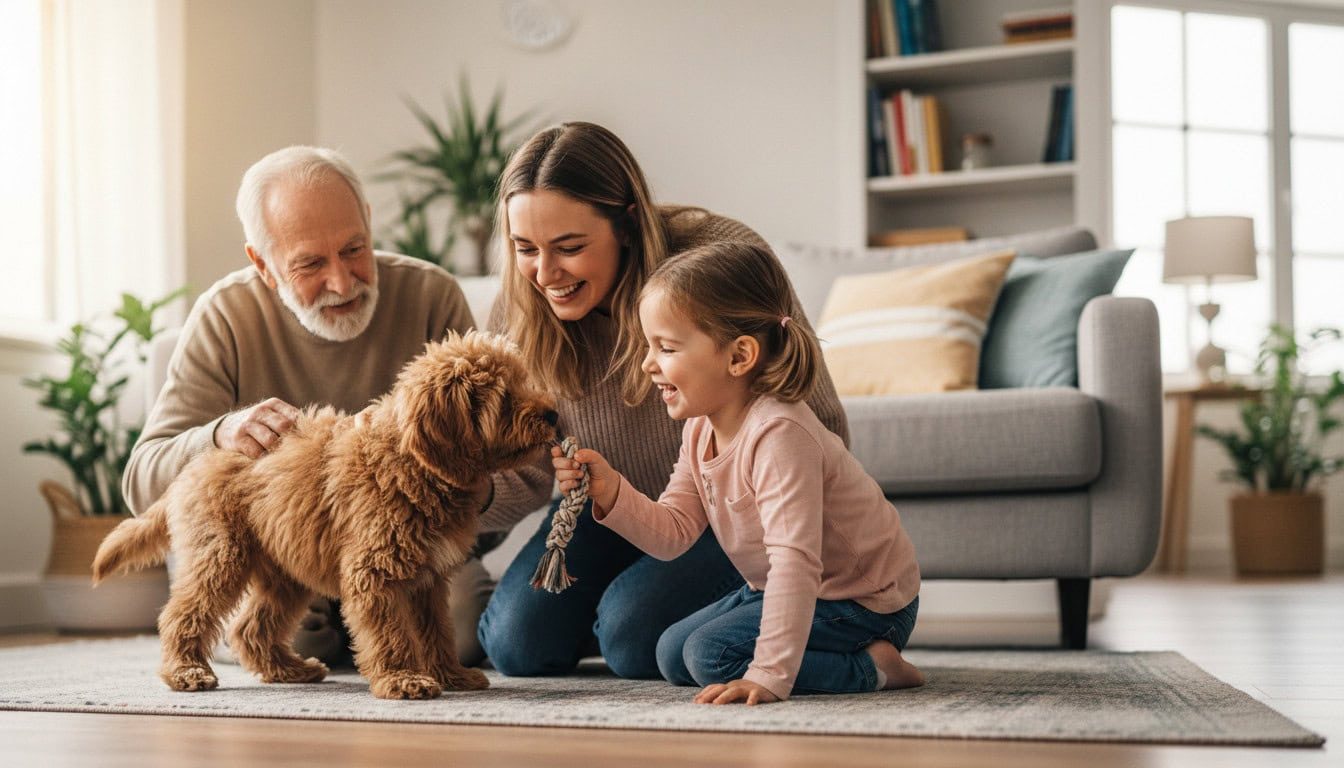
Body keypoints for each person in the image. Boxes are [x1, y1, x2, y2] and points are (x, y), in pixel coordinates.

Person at [474, 122, 850, 679]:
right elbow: (525, 476)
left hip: (725, 514)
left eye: (570, 248)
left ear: (626, 223)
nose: (545, 274)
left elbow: (817, 422)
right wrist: (455, 482)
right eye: (525, 248)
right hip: (605, 504)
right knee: (516, 646)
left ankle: (741, 613)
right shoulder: (523, 302)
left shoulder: (718, 258)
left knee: (630, 638)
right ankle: (631, 604)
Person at [123, 145, 495, 666]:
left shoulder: (431, 294)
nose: (342, 282)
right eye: (310, 264)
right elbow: (142, 480)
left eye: (353, 249)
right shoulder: (225, 315)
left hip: (412, 547)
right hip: (274, 544)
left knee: (460, 634)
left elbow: (490, 459)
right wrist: (219, 434)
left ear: (368, 221)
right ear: (264, 265)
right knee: (293, 634)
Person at [552, 241, 923, 704]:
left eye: (665, 347)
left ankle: (874, 668)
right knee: (671, 652)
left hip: (865, 601)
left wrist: (769, 673)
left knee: (710, 656)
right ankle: (841, 658)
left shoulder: (779, 434)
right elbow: (674, 532)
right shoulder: (699, 429)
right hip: (787, 588)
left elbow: (795, 561)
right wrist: (611, 491)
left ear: (738, 357)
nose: (648, 363)